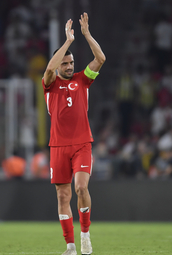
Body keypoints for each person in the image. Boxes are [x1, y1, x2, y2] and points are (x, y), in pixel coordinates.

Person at [42, 13, 105, 255]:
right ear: (59, 65)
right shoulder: (49, 83)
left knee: (80, 188)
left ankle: (85, 236)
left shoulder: (83, 80)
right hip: (58, 145)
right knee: (62, 195)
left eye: (71, 63)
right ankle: (69, 246)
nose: (70, 67)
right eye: (65, 64)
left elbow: (100, 58)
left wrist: (86, 34)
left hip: (81, 144)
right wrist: (67, 42)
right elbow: (49, 68)